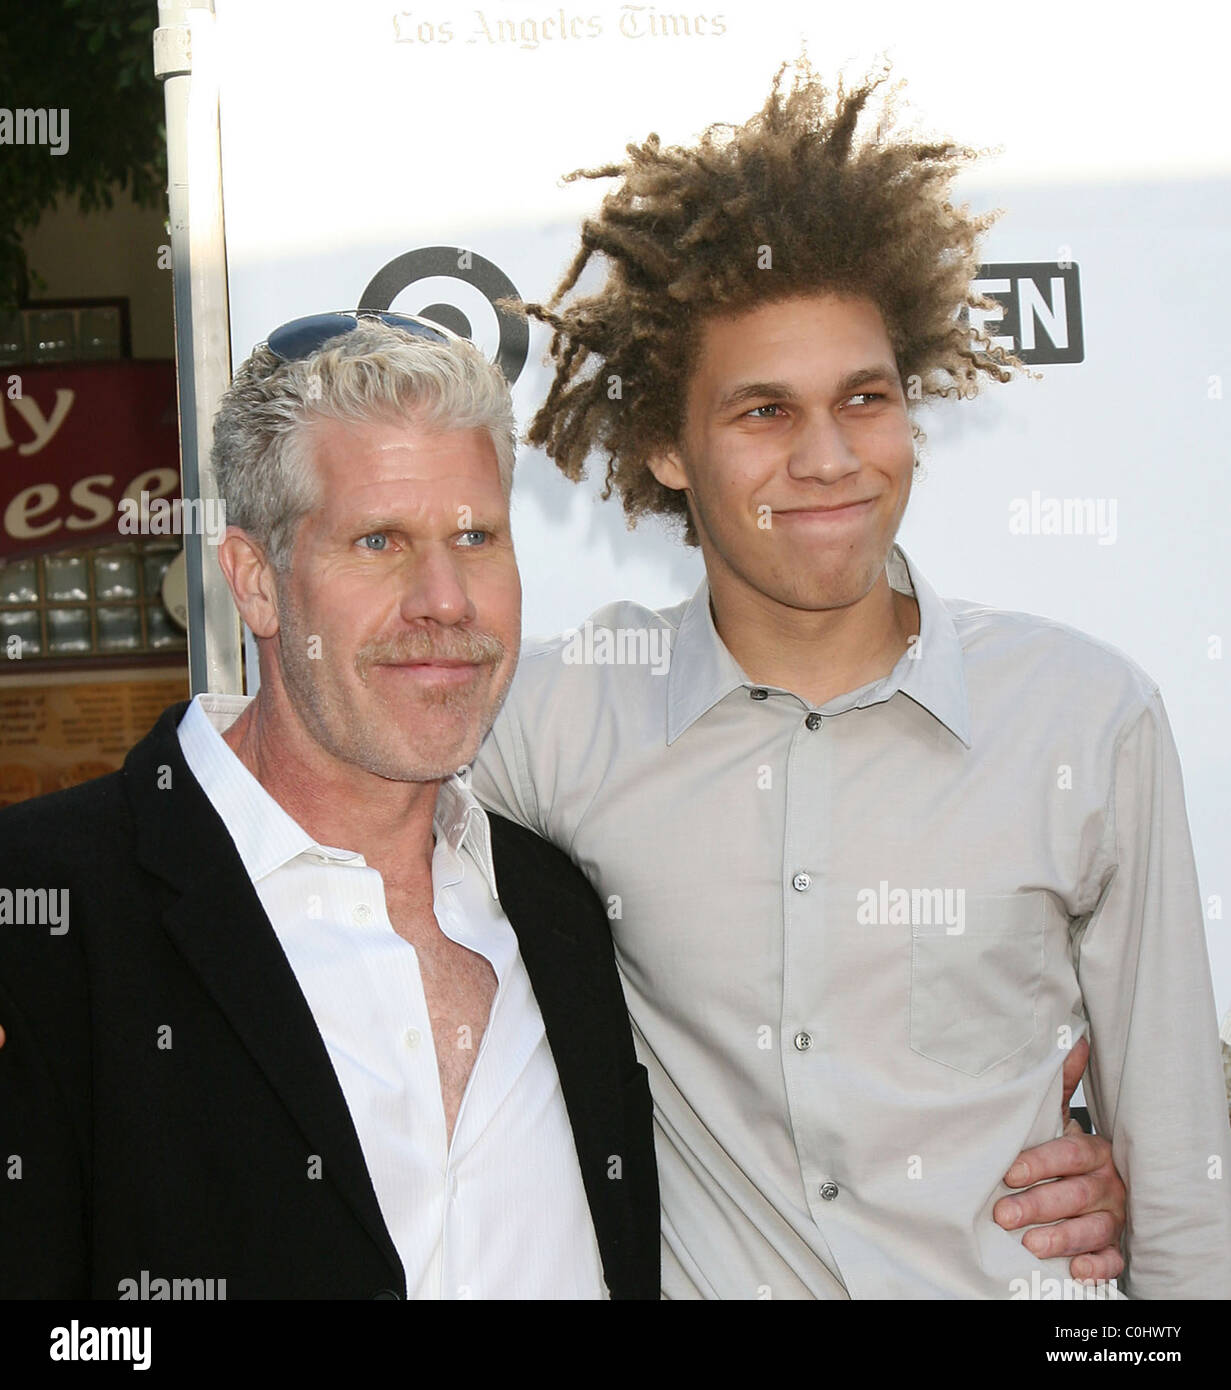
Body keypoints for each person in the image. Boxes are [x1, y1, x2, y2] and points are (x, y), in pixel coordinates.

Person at [471, 62, 1231, 1298]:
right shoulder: (559, 718)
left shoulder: (1084, 716)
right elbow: (290, 783)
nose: (829, 458)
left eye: (863, 400)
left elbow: (1188, 1180)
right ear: (665, 445)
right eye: (764, 411)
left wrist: (1128, 1187)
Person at [0, 312, 659, 1300]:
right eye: (378, 539)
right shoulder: (42, 915)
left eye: (475, 536)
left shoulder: (559, 912)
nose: (445, 598)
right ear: (255, 582)